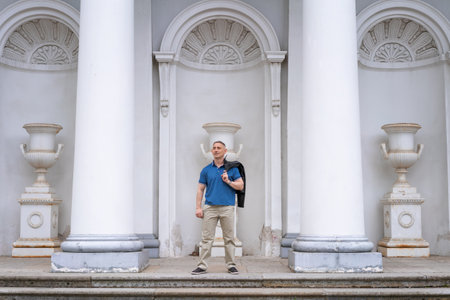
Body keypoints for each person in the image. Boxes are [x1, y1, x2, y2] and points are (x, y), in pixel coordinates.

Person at [191, 141, 244, 275]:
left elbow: (240, 186)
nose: (216, 150)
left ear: (225, 151)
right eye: (214, 148)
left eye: (219, 148)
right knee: (207, 238)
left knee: (229, 238)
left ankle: (231, 265)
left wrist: (228, 181)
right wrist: (198, 207)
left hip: (227, 207)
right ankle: (202, 266)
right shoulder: (206, 170)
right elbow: (200, 190)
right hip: (210, 207)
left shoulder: (232, 169)